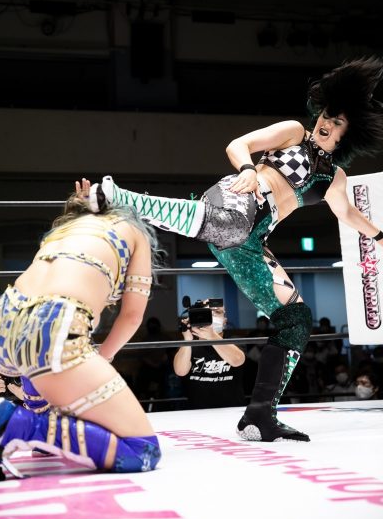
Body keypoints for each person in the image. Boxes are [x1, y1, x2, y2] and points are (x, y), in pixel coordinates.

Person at [88, 56, 383, 442]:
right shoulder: (294, 132)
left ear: (348, 133)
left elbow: (347, 214)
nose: (327, 120)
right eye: (327, 112)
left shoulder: (335, 178)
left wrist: (379, 236)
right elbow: (239, 145)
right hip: (238, 197)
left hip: (252, 240)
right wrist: (248, 171)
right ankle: (121, 198)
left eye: (338, 120)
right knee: (230, 222)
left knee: (295, 319)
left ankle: (260, 415)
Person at [0, 181, 162, 482]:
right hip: (53, 329)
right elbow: (132, 317)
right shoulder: (135, 232)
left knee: (45, 347)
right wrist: (102, 359)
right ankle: (25, 424)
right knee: (143, 450)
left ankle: (38, 418)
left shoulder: (64, 231)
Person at [173, 302, 245, 409]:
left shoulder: (234, 342)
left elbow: (238, 360)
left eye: (217, 312)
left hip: (232, 409)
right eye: (207, 312)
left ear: (224, 321)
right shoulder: (188, 346)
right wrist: (187, 339)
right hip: (197, 411)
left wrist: (212, 336)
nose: (212, 316)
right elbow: (180, 371)